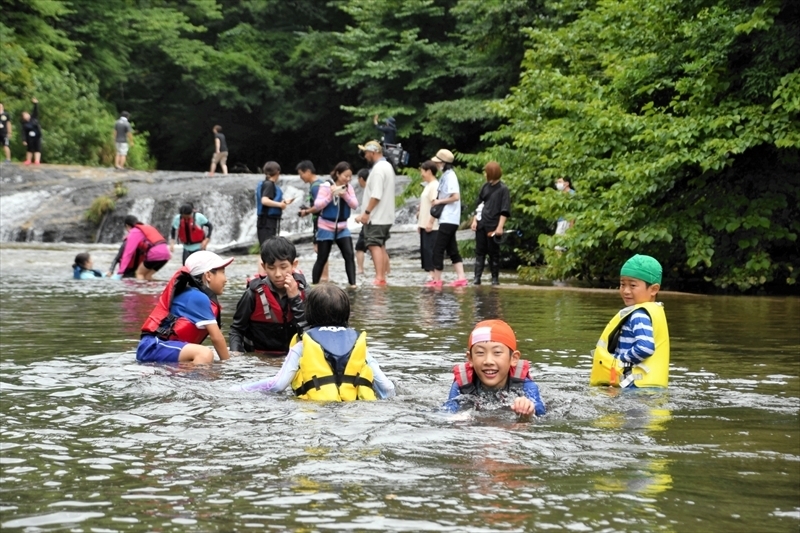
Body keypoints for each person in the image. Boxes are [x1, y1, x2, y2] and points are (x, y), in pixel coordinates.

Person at [239, 284, 396, 400]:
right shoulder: (357, 344)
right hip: (355, 412)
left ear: (309, 314)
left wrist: (240, 389)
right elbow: (387, 387)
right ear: (346, 315)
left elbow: (277, 385)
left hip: (317, 411)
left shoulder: (304, 344)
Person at [137, 251, 233, 364]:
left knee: (206, 355)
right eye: (222, 272)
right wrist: (229, 367)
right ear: (208, 275)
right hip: (153, 347)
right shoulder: (198, 297)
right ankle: (190, 381)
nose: (225, 279)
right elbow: (217, 338)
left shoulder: (192, 294)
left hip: (158, 347)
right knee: (204, 354)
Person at [590, 254, 670, 388]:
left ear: (654, 289)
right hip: (647, 386)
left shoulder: (639, 315)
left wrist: (617, 361)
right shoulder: (649, 312)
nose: (626, 291)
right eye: (622, 284)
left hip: (634, 387)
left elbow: (645, 347)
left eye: (632, 285)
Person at [443, 319, 546, 416]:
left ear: (514, 358)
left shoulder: (525, 385)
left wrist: (527, 410)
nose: (488, 361)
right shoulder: (462, 385)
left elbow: (540, 412)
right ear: (470, 359)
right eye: (480, 353)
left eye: (497, 352)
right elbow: (447, 411)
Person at [229, 237, 308, 356]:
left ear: (294, 265)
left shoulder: (306, 293)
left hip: (293, 358)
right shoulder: (252, 294)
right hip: (259, 360)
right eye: (271, 268)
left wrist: (295, 299)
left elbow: (310, 332)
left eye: (283, 267)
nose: (277, 274)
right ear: (264, 266)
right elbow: (237, 329)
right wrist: (236, 355)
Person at [301, 162, 359, 287]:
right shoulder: (325, 186)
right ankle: (314, 285)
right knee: (322, 258)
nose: (347, 179)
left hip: (343, 227)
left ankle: (353, 284)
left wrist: (344, 195)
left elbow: (354, 204)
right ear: (338, 174)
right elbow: (317, 205)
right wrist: (331, 195)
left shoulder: (348, 188)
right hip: (325, 227)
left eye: (350, 177)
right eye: (345, 176)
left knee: (349, 255)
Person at [354, 140, 395, 286]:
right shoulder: (387, 166)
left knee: (373, 245)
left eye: (366, 152)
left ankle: (379, 278)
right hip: (385, 216)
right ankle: (383, 276)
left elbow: (376, 195)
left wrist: (366, 213)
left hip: (377, 217)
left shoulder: (378, 170)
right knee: (381, 245)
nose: (365, 155)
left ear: (373, 152)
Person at [426, 148, 468, 287]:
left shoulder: (450, 176)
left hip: (449, 218)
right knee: (452, 249)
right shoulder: (446, 175)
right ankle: (461, 278)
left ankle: (437, 280)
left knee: (438, 249)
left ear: (443, 163)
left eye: (438, 162)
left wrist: (439, 202)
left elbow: (455, 197)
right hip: (447, 218)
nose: (436, 165)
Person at [471, 161, 511, 286]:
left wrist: (500, 226)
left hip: (494, 225)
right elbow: (478, 204)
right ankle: (477, 278)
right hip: (481, 223)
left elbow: (505, 210)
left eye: (486, 171)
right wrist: (474, 220)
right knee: (479, 252)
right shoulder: (485, 187)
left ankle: (495, 279)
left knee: (494, 253)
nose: (484, 174)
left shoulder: (503, 189)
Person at [297, 160, 329, 282]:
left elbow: (319, 206)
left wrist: (306, 211)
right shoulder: (320, 183)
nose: (301, 178)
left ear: (308, 171)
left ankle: (324, 277)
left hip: (320, 222)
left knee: (320, 250)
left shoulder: (316, 186)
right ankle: (325, 276)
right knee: (322, 250)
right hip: (323, 221)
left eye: (301, 174)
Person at [112, 215, 171, 281]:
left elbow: (128, 253)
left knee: (139, 273)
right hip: (166, 254)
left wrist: (120, 273)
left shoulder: (134, 231)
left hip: (154, 254)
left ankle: (141, 290)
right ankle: (159, 287)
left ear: (127, 226)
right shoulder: (148, 227)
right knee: (148, 276)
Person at [256, 161, 292, 245]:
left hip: (265, 221)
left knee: (267, 248)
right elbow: (264, 200)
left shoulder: (265, 184)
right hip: (267, 222)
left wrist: (283, 202)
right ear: (277, 172)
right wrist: (280, 205)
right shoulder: (269, 185)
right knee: (268, 249)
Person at [417, 160, 440, 280]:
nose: (421, 174)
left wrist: (430, 222)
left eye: (423, 172)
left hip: (432, 226)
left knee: (431, 250)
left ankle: (434, 276)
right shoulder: (428, 186)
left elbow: (435, 206)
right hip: (424, 224)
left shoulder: (435, 185)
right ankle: (431, 275)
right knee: (426, 251)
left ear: (429, 171)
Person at [353, 168, 370, 275]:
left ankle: (360, 270)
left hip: (369, 223)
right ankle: (386, 271)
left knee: (359, 247)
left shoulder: (369, 191)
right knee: (381, 247)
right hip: (378, 222)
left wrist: (361, 217)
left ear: (361, 179)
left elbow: (369, 208)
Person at [554, 176, 576, 251]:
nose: (557, 184)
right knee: (561, 247)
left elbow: (573, 210)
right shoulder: (560, 195)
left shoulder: (572, 194)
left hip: (566, 221)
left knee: (559, 247)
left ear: (566, 183)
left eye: (560, 182)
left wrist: (571, 224)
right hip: (560, 221)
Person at [20, 98, 42, 165]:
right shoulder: (24, 124)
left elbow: (35, 111)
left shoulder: (33, 118)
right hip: (29, 137)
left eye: (27, 114)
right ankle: (28, 160)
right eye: (24, 115)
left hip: (37, 135)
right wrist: (24, 140)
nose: (26, 116)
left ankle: (37, 160)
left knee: (37, 148)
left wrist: (35, 104)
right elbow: (23, 132)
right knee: (29, 149)